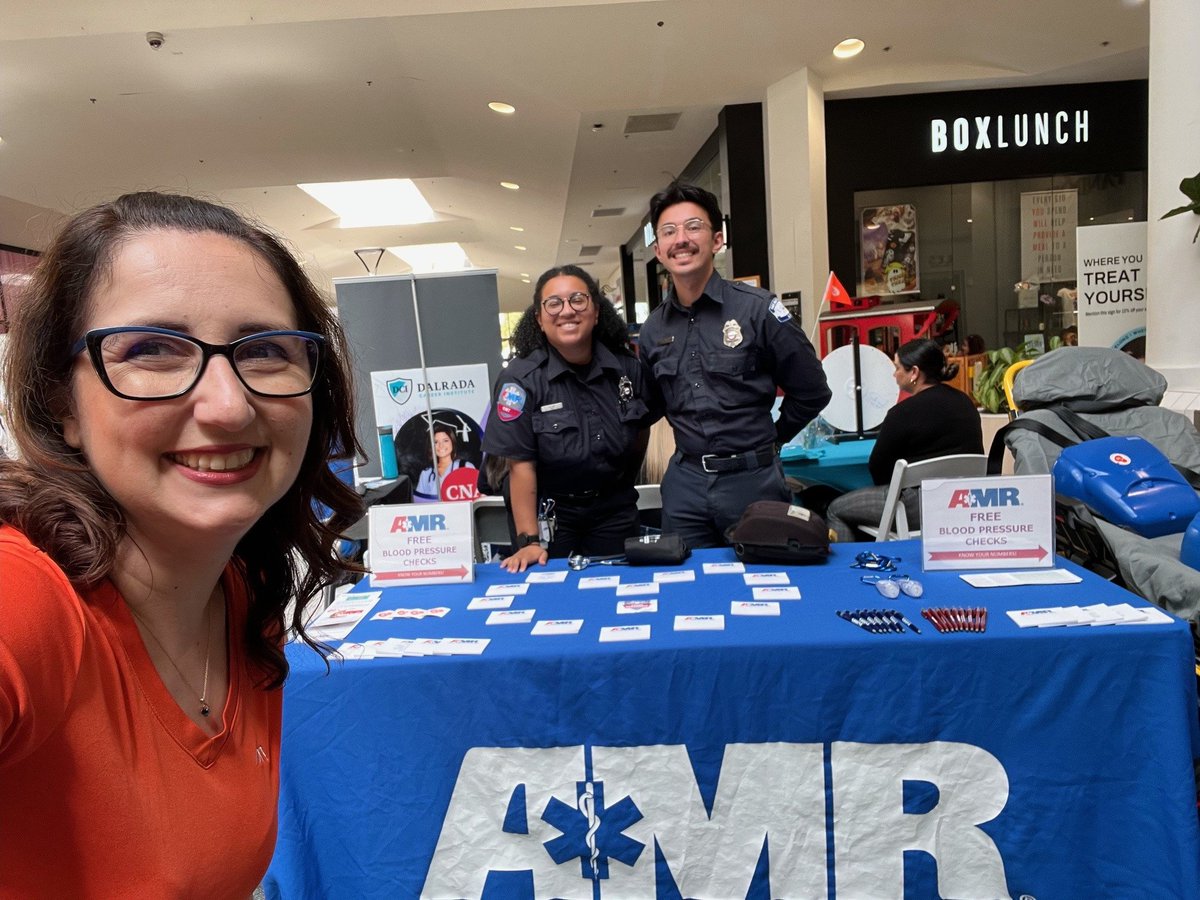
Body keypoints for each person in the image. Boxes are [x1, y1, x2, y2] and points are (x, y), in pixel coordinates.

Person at [0, 191, 362, 895]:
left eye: (264, 351)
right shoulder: (26, 596)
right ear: (58, 403)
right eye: (152, 350)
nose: (227, 406)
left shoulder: (243, 598)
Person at [637, 181, 831, 548]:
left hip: (754, 481)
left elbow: (812, 390)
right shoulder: (653, 329)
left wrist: (774, 439)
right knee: (687, 592)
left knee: (767, 587)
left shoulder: (757, 310)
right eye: (669, 231)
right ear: (659, 251)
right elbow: (651, 404)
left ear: (717, 239)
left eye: (694, 226)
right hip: (685, 487)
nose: (681, 239)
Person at [483, 265, 662, 573]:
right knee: (552, 603)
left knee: (621, 595)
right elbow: (520, 464)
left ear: (596, 311)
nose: (567, 311)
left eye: (578, 300)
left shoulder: (627, 370)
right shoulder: (520, 380)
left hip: (613, 509)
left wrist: (620, 481)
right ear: (539, 319)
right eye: (553, 303)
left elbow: (639, 430)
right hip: (548, 513)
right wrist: (528, 540)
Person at [825, 338, 983, 541]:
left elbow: (878, 470)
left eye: (897, 367)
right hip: (964, 502)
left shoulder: (902, 413)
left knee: (835, 509)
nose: (894, 374)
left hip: (917, 508)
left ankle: (847, 571)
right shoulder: (965, 403)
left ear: (914, 372)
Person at [413, 421, 476, 502]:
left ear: (452, 442)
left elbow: (476, 499)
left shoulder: (466, 467)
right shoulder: (426, 473)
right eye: (436, 442)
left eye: (445, 440)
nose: (441, 445)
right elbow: (419, 502)